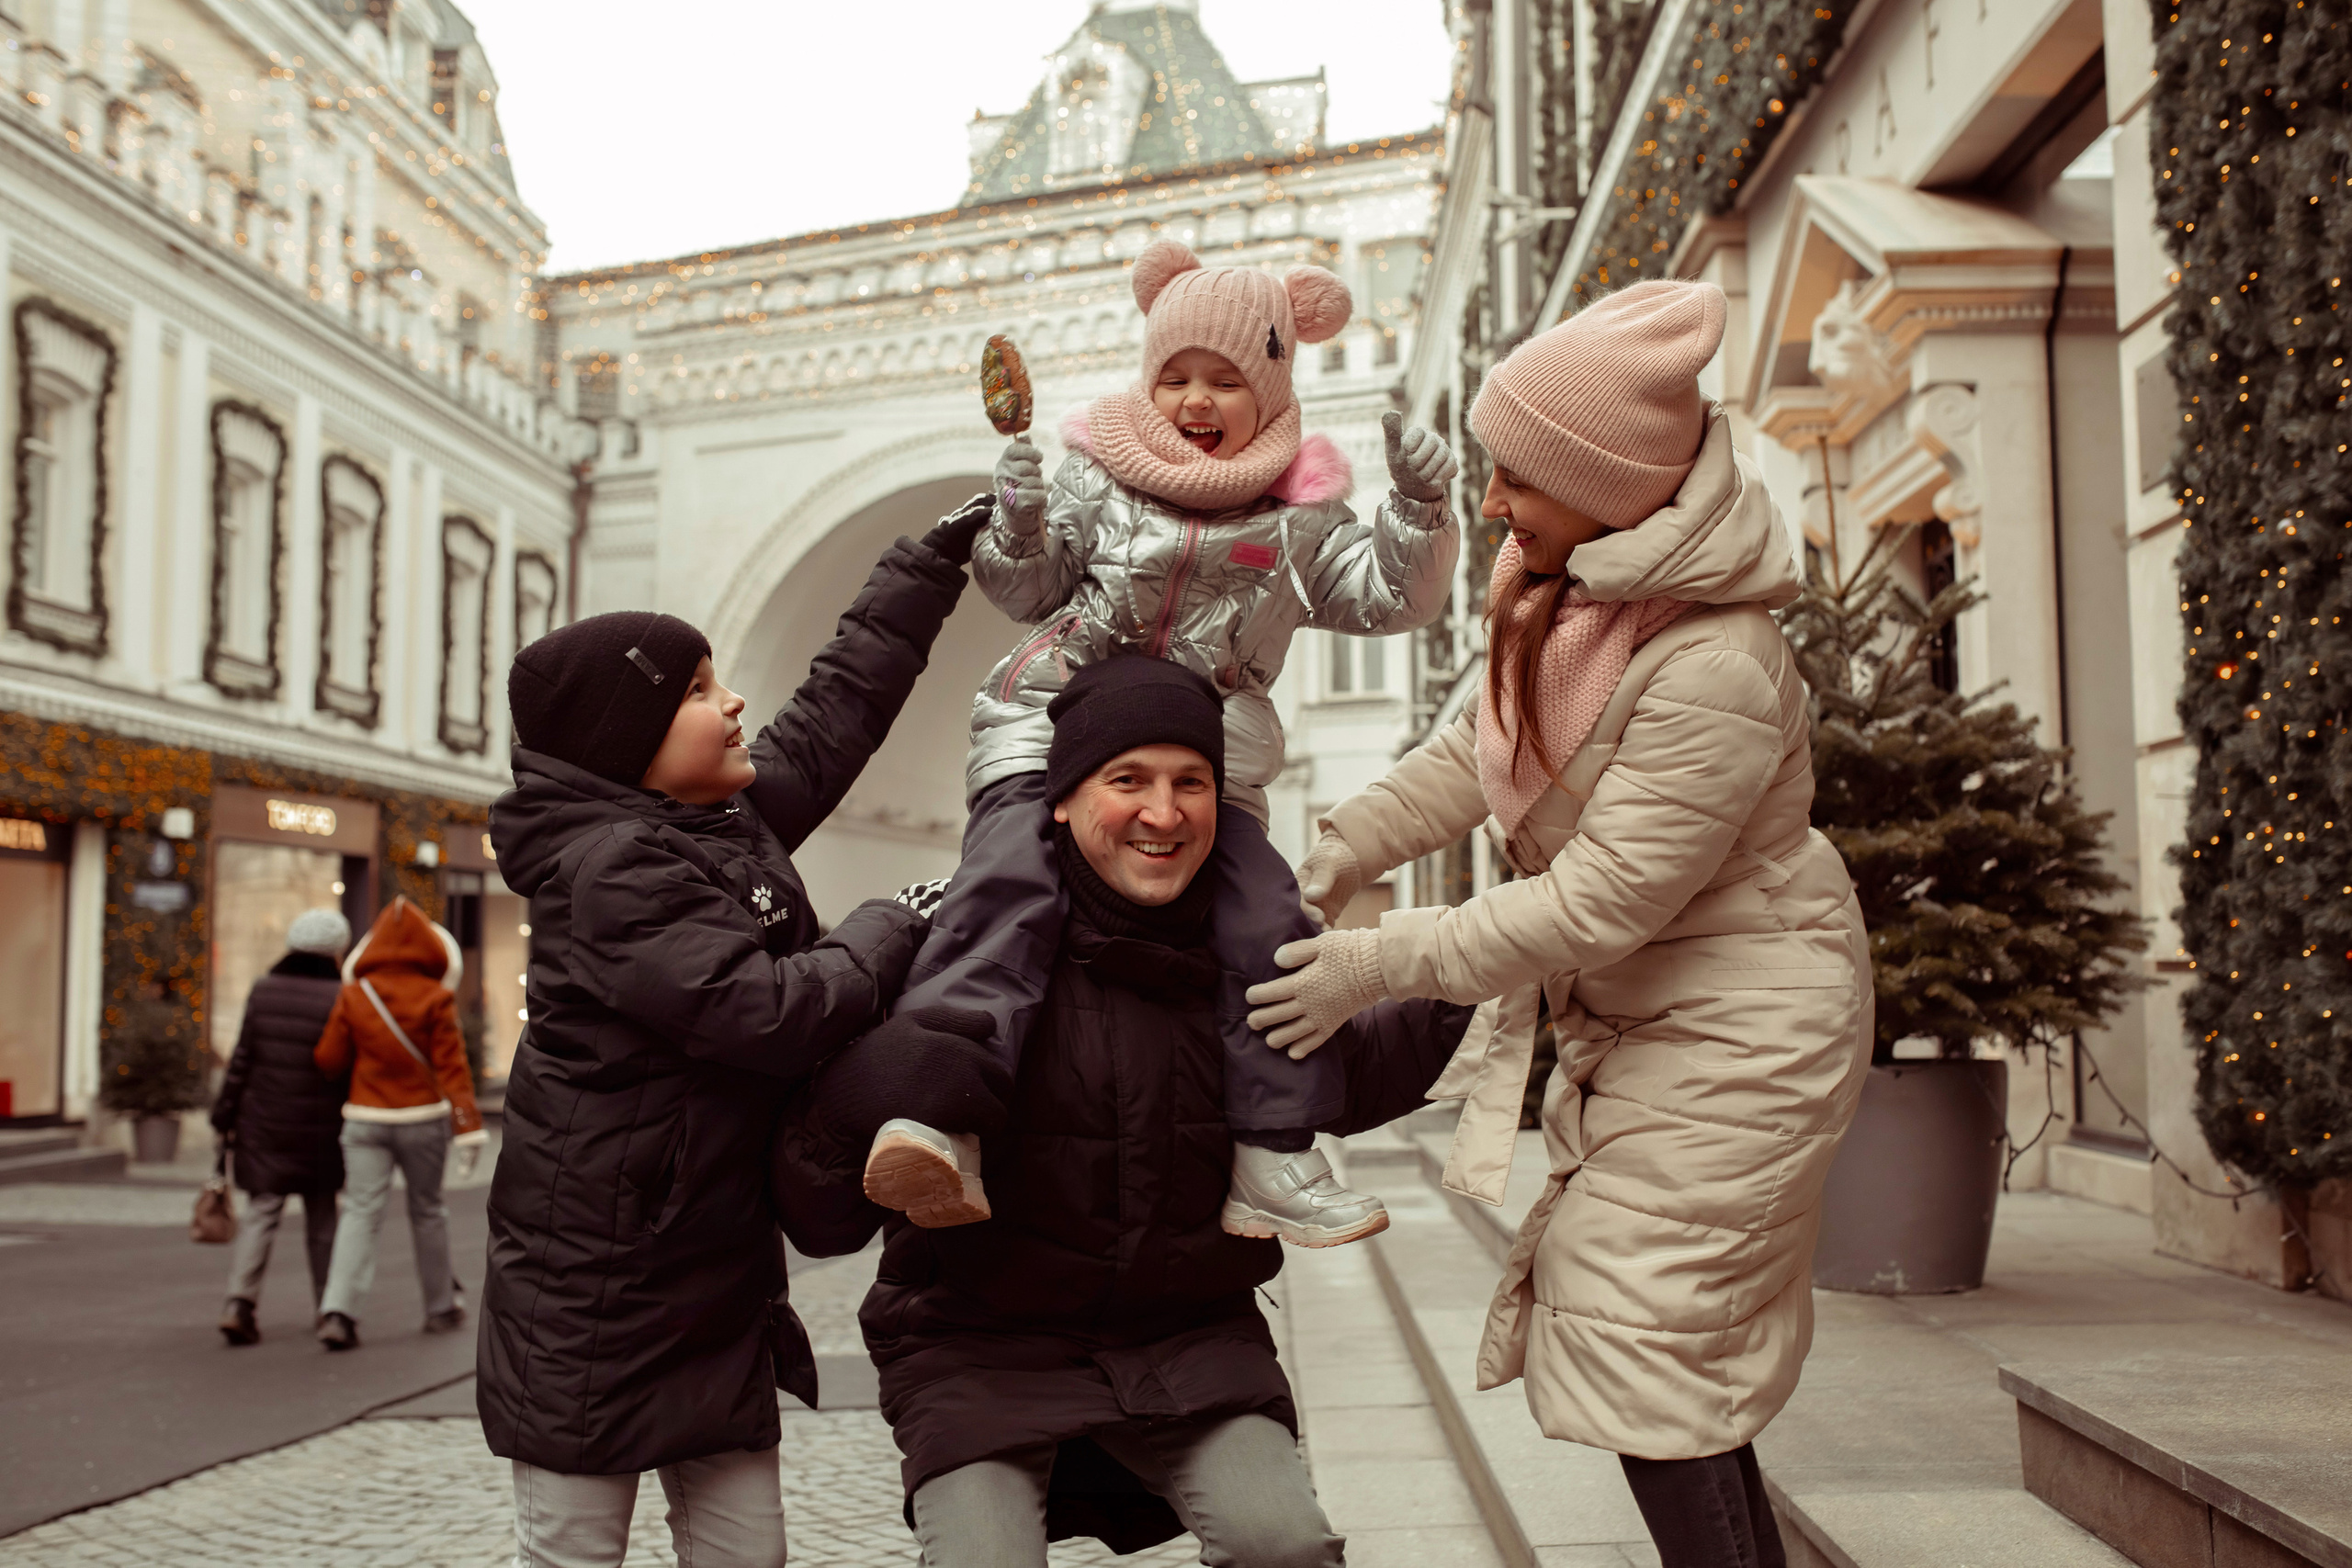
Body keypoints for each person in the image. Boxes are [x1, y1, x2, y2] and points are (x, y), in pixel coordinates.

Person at [1243, 280, 1874, 1568]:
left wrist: (1378, 957)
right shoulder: (1567, 587)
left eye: (1516, 476)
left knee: (1641, 1327)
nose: (1489, 503)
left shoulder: (1716, 661)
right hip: (1652, 1024)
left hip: (1749, 1028)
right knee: (1663, 1355)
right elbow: (1473, 755)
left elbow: (1601, 899)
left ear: (1615, 481)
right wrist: (1333, 852)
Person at [774, 655, 1479, 1566]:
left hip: (1187, 1336)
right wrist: (865, 1093)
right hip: (978, 1345)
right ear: (1060, 798)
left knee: (1286, 1546)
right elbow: (814, 1206)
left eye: (1191, 782)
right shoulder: (951, 952)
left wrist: (1473, 971)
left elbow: (1348, 1069)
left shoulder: (1248, 956)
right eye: (1127, 780)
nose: (1163, 812)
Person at [865, 238, 1461, 1247]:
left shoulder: (1299, 517)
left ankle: (1271, 1150)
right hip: (1051, 716)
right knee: (1006, 890)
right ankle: (943, 1112)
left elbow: (1388, 597)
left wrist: (1417, 510)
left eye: (1225, 378)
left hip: (1211, 754)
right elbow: (1030, 593)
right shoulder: (1094, 475)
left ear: (1268, 389)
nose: (1196, 396)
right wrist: (1015, 526)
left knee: (1264, 922)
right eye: (1175, 374)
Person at [476, 501, 986, 1568]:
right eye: (700, 690)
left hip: (712, 1284)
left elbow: (835, 710)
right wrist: (899, 917)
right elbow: (765, 1012)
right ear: (633, 741)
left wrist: (924, 566)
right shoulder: (610, 870)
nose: (734, 700)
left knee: (747, 1553)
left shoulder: (714, 822)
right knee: (574, 1555)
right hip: (595, 1306)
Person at [311, 895, 484, 1350]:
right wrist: (467, 1127)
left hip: (366, 1117)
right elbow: (453, 1068)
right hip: (422, 1119)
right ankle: (440, 1306)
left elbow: (328, 1059)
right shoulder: (436, 997)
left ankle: (339, 1313)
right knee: (428, 1212)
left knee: (361, 1213)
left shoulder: (354, 994)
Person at [209, 906, 351, 1346]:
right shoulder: (343, 996)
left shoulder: (264, 989)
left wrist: (224, 1114)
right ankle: (330, 1311)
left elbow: (242, 1059)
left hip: (264, 1122)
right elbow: (346, 1067)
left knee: (261, 1213)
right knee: (323, 1219)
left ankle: (239, 1303)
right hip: (321, 1125)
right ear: (335, 951)